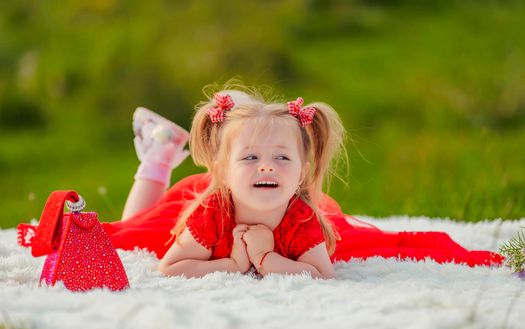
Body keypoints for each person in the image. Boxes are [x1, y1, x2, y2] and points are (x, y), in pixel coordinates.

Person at [102, 87, 505, 279]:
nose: (267, 168)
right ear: (223, 169)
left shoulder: (301, 215)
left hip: (269, 196)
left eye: (281, 157)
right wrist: (229, 264)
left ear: (302, 169)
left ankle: (246, 123)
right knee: (136, 232)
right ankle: (160, 155)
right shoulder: (209, 211)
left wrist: (266, 260)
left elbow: (321, 275)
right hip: (212, 200)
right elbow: (167, 266)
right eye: (253, 157)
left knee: (361, 240)